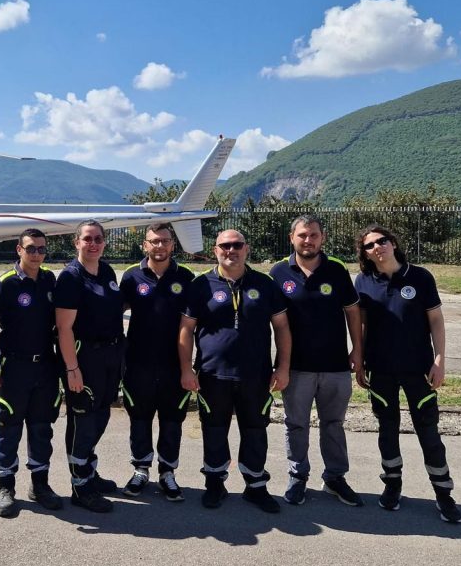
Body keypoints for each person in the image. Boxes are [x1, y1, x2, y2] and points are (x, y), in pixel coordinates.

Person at [354, 224, 461, 524]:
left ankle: (443, 494)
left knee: (428, 431)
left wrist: (439, 360)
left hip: (419, 370)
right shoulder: (363, 281)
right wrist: (359, 360)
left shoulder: (420, 276)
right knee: (387, 429)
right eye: (369, 245)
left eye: (382, 241)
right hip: (381, 370)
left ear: (393, 243)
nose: (377, 247)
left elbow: (436, 320)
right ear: (365, 253)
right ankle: (392, 486)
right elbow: (361, 325)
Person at [179, 229, 292, 513]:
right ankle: (214, 483)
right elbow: (186, 330)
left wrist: (283, 367)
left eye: (237, 245)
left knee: (255, 430)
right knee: (214, 429)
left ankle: (256, 486)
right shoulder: (200, 285)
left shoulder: (264, 283)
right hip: (212, 374)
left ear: (247, 248)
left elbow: (281, 328)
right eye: (225, 245)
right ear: (215, 250)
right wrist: (186, 369)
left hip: (256, 375)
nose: (231, 250)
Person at [270, 215, 363, 507]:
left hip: (335, 365)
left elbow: (352, 312)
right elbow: (273, 322)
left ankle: (335, 477)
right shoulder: (278, 272)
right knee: (296, 424)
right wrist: (279, 366)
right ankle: (297, 476)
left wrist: (357, 350)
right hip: (296, 366)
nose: (308, 240)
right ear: (291, 238)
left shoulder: (336, 269)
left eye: (313, 235)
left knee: (333, 424)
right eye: (302, 235)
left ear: (322, 238)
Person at [0, 228, 63, 518]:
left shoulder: (50, 280)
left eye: (41, 249)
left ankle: (40, 485)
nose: (37, 254)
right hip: (13, 367)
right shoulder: (5, 283)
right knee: (8, 427)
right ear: (19, 250)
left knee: (42, 427)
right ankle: (6, 487)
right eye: (31, 249)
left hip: (45, 367)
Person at [118, 223, 195, 502]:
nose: (159, 246)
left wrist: (189, 367)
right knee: (139, 418)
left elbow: (193, 322)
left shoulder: (185, 277)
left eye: (164, 241)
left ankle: (167, 472)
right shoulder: (131, 276)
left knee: (172, 419)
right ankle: (141, 469)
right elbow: (113, 312)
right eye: (154, 241)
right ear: (145, 245)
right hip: (138, 363)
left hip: (174, 364)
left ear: (172, 244)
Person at [55, 219, 125, 513]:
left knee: (101, 416)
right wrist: (72, 369)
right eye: (87, 239)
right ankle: (80, 486)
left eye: (98, 239)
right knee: (83, 421)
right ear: (77, 243)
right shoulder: (71, 278)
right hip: (84, 358)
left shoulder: (106, 271)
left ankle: (89, 471)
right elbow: (64, 328)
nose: (93, 244)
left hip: (110, 356)